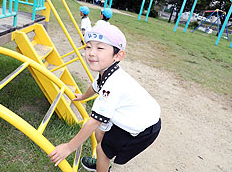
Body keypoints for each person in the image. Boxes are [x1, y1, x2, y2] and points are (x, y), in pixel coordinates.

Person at [49, 25, 161, 172]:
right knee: (101, 132)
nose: (91, 53)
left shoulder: (113, 84)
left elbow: (94, 121)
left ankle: (102, 165)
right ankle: (102, 162)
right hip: (138, 114)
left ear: (118, 55)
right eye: (88, 47)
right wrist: (83, 97)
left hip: (143, 127)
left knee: (102, 149)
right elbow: (95, 86)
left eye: (100, 48)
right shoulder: (107, 71)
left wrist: (69, 147)